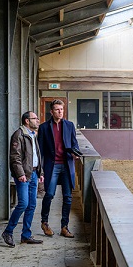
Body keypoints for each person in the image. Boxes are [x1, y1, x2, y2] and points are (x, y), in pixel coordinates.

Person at [38, 99, 80, 238]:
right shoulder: (44, 127)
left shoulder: (69, 125)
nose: (60, 111)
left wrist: (76, 153)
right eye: (57, 109)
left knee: (68, 197)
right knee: (49, 194)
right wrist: (40, 170)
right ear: (51, 111)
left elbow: (75, 143)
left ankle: (64, 227)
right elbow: (40, 151)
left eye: (61, 109)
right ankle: (44, 222)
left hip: (67, 164)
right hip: (52, 165)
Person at [2, 111, 44, 247]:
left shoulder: (32, 135)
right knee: (23, 204)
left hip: (33, 174)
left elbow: (37, 155)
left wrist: (40, 172)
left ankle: (26, 235)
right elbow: (15, 157)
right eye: (35, 118)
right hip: (24, 176)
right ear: (27, 121)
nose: (37, 120)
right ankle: (8, 231)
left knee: (32, 205)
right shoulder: (19, 135)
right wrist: (20, 174)